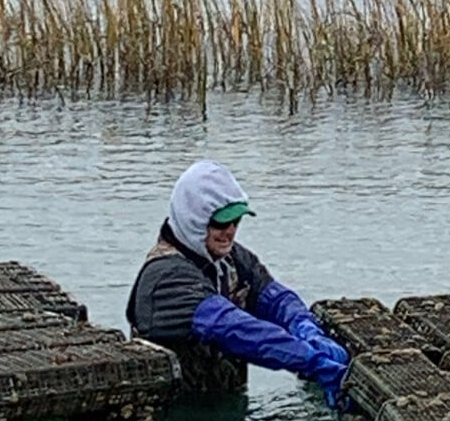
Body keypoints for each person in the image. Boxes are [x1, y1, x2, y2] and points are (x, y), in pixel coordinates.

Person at [125, 159, 350, 407]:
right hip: (174, 415)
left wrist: (306, 328)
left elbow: (275, 298)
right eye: (221, 223)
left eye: (237, 221)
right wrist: (308, 359)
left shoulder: (230, 259)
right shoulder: (166, 277)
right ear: (194, 219)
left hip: (225, 405)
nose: (230, 231)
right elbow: (233, 328)